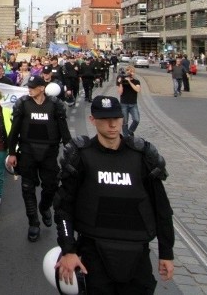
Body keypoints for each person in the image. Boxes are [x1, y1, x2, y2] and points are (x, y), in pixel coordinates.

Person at [53, 96, 175, 293]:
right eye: (104, 119)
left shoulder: (143, 156)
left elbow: (162, 208)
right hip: (94, 251)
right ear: (93, 120)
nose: (111, 124)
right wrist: (69, 250)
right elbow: (63, 207)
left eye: (116, 118)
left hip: (137, 252)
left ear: (122, 119)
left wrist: (166, 252)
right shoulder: (80, 156)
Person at [6, 74, 71, 242]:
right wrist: (12, 152)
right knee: (27, 188)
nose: (30, 89)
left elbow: (64, 131)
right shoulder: (23, 104)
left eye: (33, 87)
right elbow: (15, 130)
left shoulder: (55, 105)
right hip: (28, 151)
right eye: (29, 87)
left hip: (49, 152)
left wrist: (72, 154)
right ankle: (33, 223)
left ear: (42, 88)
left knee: (51, 186)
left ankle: (44, 207)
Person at [116, 65, 141, 137]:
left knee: (136, 120)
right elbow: (120, 93)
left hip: (133, 104)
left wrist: (130, 82)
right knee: (124, 122)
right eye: (129, 71)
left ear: (134, 73)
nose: (130, 73)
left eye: (132, 72)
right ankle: (126, 138)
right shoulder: (122, 81)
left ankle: (130, 132)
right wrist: (120, 83)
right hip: (124, 104)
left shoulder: (136, 81)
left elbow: (137, 90)